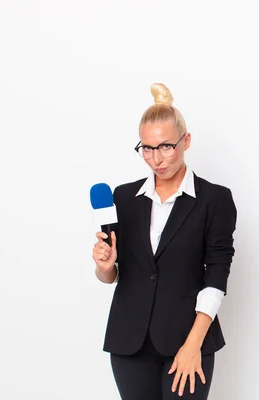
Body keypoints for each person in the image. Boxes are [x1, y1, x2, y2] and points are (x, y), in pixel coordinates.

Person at [92, 83, 237, 400]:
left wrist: (192, 345)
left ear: (186, 141)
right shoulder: (124, 197)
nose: (156, 158)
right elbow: (117, 274)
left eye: (166, 146)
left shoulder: (214, 199)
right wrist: (104, 267)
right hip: (129, 341)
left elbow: (216, 275)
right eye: (147, 148)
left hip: (187, 339)